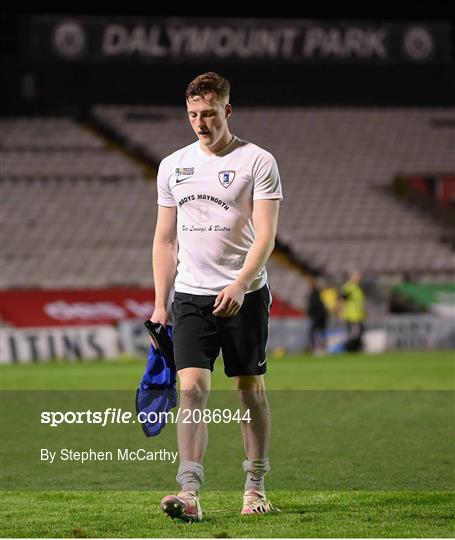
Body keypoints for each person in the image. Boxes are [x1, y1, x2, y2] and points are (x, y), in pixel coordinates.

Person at [149, 72, 283, 521]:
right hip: (190, 296)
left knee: (249, 390)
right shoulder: (172, 165)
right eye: (192, 115)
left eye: (208, 114)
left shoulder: (258, 161)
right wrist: (159, 302)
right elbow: (165, 240)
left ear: (227, 110)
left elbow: (266, 234)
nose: (200, 123)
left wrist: (241, 282)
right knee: (190, 388)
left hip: (245, 293)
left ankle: (255, 486)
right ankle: (188, 493)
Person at [339, 270, 366, 352]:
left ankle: (354, 349)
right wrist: (342, 311)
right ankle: (348, 348)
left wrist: (363, 312)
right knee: (354, 333)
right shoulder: (349, 287)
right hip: (351, 315)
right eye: (357, 275)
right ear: (351, 277)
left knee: (358, 332)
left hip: (357, 315)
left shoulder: (357, 288)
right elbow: (341, 299)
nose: (359, 278)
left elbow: (358, 303)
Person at [306, 277, 328, 355]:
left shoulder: (314, 294)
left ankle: (318, 348)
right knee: (320, 332)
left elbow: (314, 306)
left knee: (314, 332)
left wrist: (310, 313)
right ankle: (322, 348)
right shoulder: (316, 294)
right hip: (320, 316)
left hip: (318, 317)